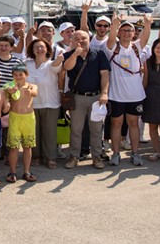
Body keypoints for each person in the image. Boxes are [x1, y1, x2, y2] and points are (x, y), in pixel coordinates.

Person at [102, 20, 149, 166]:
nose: (127, 33)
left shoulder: (137, 47)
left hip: (135, 95)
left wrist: (147, 24)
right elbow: (110, 39)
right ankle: (116, 154)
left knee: (133, 124)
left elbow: (146, 37)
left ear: (134, 33)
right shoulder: (112, 47)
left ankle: (135, 153)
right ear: (119, 33)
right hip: (116, 95)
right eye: (124, 30)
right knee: (116, 124)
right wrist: (115, 24)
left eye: (130, 30)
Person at [63, 31, 110, 169]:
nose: (80, 41)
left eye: (83, 38)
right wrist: (75, 54)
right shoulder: (69, 55)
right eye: (76, 38)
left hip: (96, 97)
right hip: (77, 97)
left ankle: (96, 157)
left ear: (89, 39)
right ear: (71, 40)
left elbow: (105, 74)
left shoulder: (99, 54)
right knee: (76, 130)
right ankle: (74, 156)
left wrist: (104, 93)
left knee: (96, 129)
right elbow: (67, 67)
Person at [26, 38, 63, 169]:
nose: (39, 49)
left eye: (42, 47)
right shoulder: (27, 63)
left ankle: (50, 157)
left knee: (49, 132)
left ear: (47, 49)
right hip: (31, 104)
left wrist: (59, 59)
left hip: (50, 103)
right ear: (32, 50)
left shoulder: (51, 64)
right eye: (36, 47)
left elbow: (57, 66)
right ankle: (36, 156)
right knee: (34, 132)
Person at [3, 64, 39, 182]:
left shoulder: (32, 86)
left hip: (29, 118)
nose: (18, 77)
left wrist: (30, 92)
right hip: (15, 118)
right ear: (12, 76)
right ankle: (12, 172)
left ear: (26, 75)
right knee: (14, 147)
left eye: (21, 74)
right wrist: (9, 91)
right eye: (15, 75)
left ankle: (26, 171)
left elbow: (34, 93)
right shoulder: (10, 86)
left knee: (27, 146)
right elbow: (5, 93)